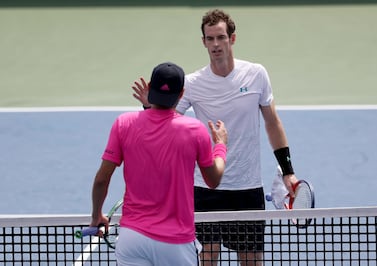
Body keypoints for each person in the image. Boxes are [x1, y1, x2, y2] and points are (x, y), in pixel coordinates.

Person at [132, 9, 299, 266]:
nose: (215, 45)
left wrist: (288, 170)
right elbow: (163, 121)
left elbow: (272, 122)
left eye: (220, 37)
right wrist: (149, 108)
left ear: (232, 39)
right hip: (205, 186)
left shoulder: (256, 74)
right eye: (210, 39)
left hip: (247, 186)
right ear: (203, 42)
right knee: (207, 258)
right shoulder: (193, 83)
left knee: (252, 260)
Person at [90, 62, 228, 266]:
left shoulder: (123, 124)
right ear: (181, 94)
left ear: (151, 87)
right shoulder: (195, 130)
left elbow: (102, 179)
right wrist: (220, 146)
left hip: (132, 239)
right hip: (176, 244)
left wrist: (96, 216)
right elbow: (213, 180)